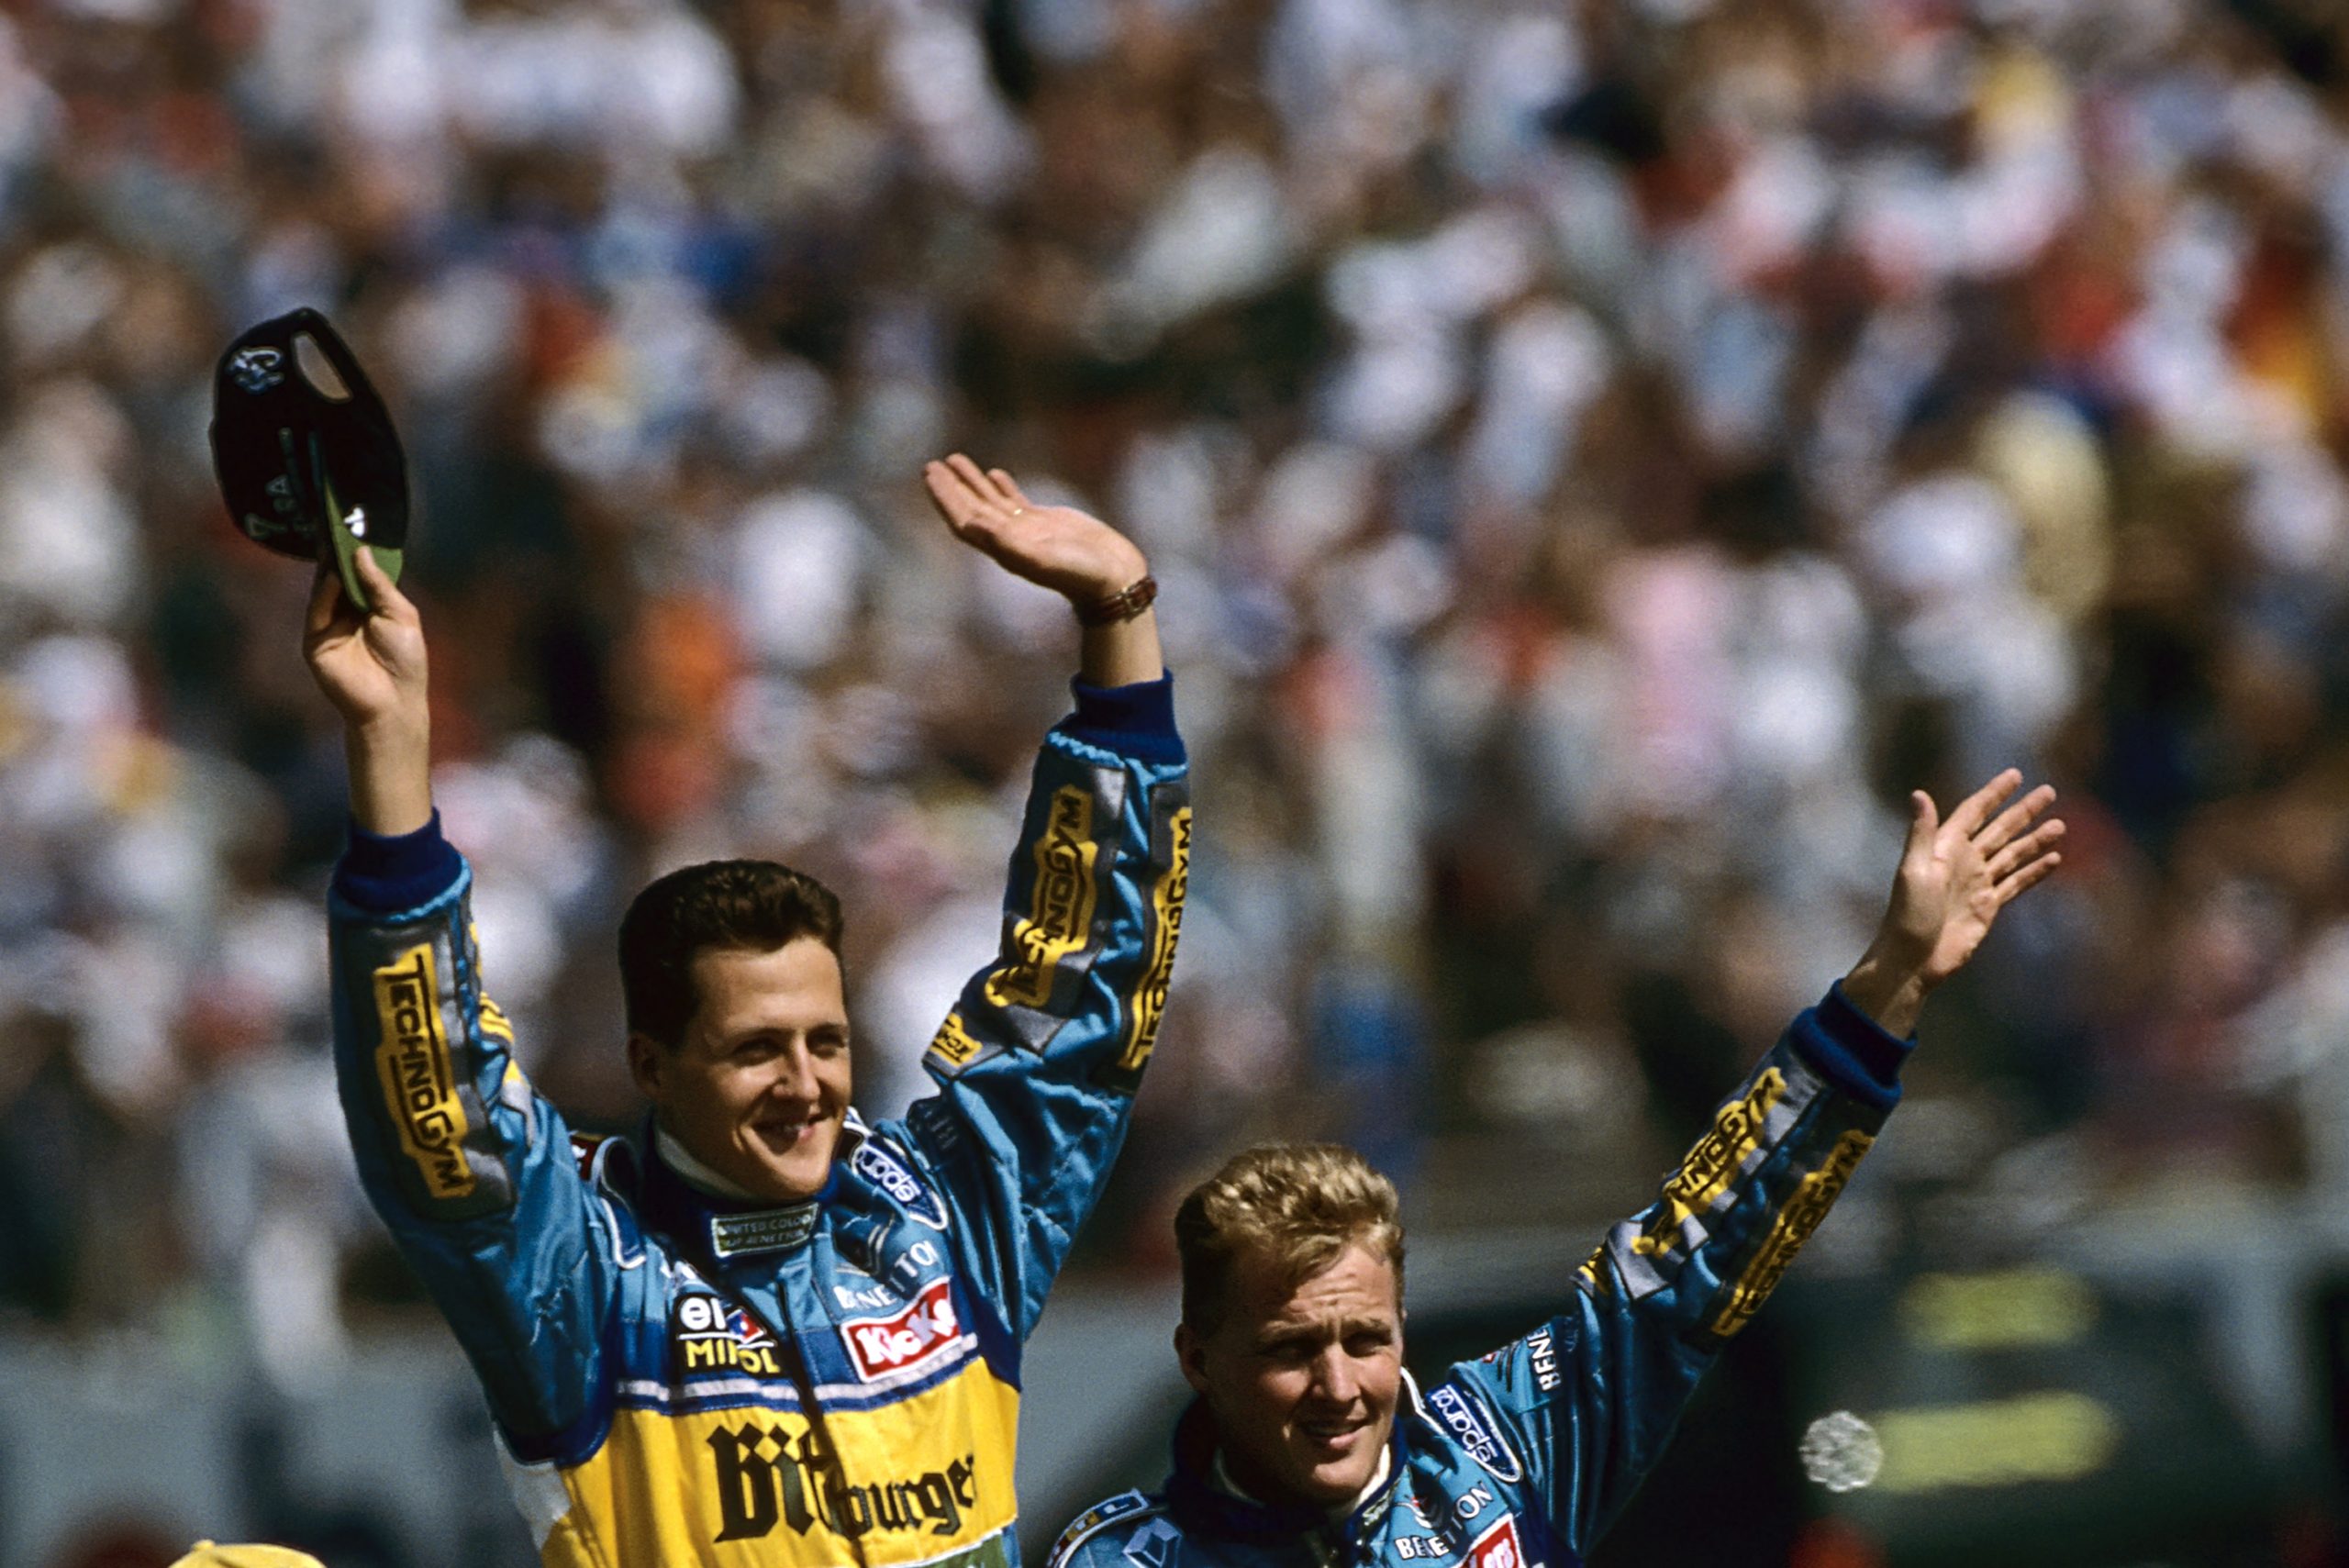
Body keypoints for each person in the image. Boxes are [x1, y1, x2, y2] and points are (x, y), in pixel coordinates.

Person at [307, 455, 1191, 1567]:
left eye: (824, 1040)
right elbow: (435, 1107)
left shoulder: (944, 1217)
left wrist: (1119, 625)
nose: (807, 1080)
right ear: (652, 1062)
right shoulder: (583, 1274)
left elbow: (1084, 998)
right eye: (754, 1049)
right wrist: (390, 748)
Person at [1049, 772, 2063, 1568]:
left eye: (1367, 1337)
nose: (1338, 1384)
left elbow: (1696, 1248)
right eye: (1289, 1345)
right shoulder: (1120, 1556)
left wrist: (1888, 980)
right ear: (1198, 1356)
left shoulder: (1491, 1450)